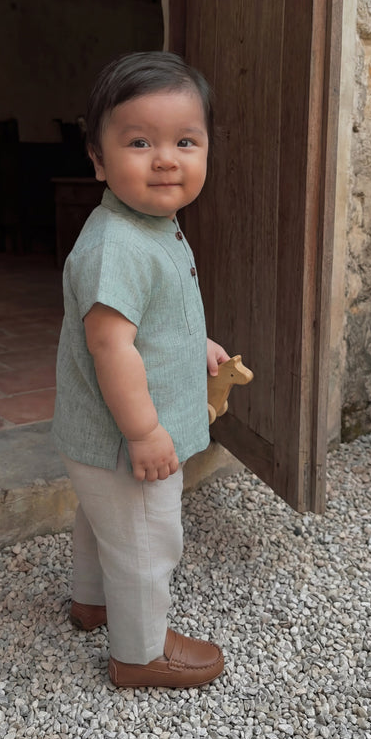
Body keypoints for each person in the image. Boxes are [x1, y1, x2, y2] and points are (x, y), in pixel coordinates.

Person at [52, 50, 230, 688]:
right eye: (138, 142)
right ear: (97, 159)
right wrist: (147, 434)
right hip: (126, 440)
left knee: (105, 524)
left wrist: (197, 345)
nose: (165, 158)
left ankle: (92, 602)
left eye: (186, 140)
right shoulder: (117, 245)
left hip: (104, 446)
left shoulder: (154, 228)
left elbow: (155, 319)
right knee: (148, 540)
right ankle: (140, 652)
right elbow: (112, 348)